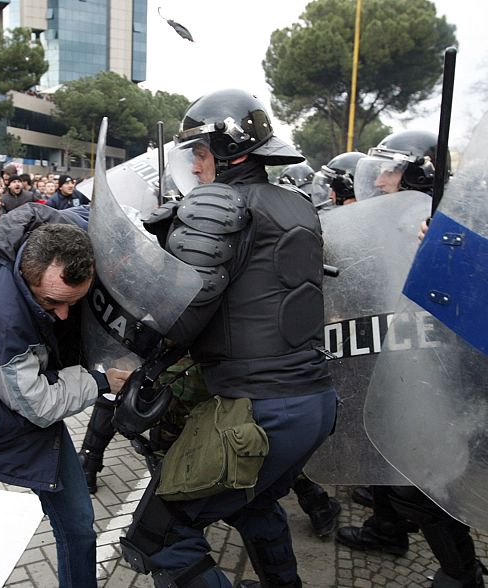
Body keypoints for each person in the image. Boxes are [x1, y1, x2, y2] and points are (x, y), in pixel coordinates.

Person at [116, 88, 336, 588]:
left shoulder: (219, 203)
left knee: (160, 537)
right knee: (253, 506)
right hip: (313, 402)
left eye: (198, 153)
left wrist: (135, 349)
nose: (194, 168)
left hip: (258, 411)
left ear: (226, 148)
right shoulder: (296, 204)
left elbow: (181, 317)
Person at [0, 210, 129, 587]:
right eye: (53, 302)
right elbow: (38, 405)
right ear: (26, 273)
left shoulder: (60, 234)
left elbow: (113, 219)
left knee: (79, 529)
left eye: (74, 301)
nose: (65, 314)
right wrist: (99, 380)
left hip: (30, 425)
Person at [336, 130, 486, 588]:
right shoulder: (393, 221)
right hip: (388, 356)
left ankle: (463, 572)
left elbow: (472, 306)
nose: (380, 180)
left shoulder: (456, 225)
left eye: (391, 170)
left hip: (433, 373)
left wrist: (444, 254)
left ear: (419, 174)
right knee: (376, 448)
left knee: (422, 483)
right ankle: (387, 530)